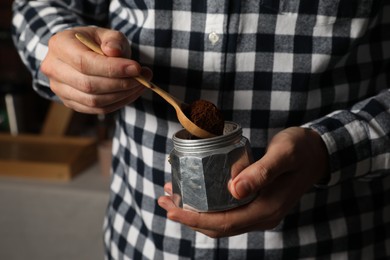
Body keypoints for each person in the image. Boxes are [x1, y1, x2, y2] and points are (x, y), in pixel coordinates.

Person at [12, 0, 390, 259]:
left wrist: (331, 147)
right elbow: (38, 5)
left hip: (331, 239)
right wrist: (56, 48)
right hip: (144, 242)